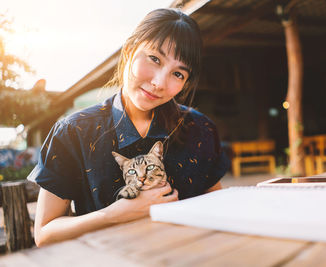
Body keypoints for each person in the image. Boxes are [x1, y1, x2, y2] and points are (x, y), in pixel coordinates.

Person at [28, 8, 230, 247]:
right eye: (154, 59)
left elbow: (219, 210)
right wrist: (115, 214)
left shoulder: (201, 128)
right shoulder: (73, 131)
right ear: (129, 51)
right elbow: (44, 234)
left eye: (177, 74)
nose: (158, 83)